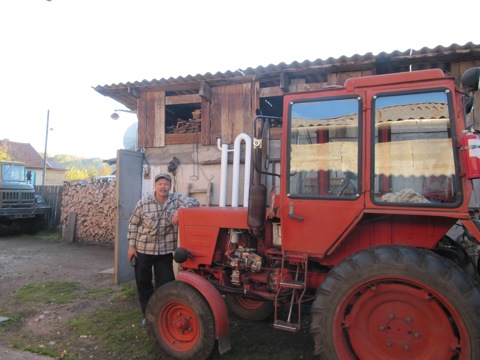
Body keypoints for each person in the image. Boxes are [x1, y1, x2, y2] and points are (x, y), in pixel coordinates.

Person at [127, 173, 200, 321]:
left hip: (164, 252)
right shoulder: (144, 202)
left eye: (166, 184)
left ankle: (163, 315)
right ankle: (147, 316)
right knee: (144, 283)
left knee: (166, 285)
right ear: (155, 186)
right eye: (160, 184)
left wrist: (181, 210)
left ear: (170, 186)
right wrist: (131, 246)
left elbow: (195, 202)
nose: (163, 187)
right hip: (143, 250)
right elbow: (133, 223)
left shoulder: (176, 199)